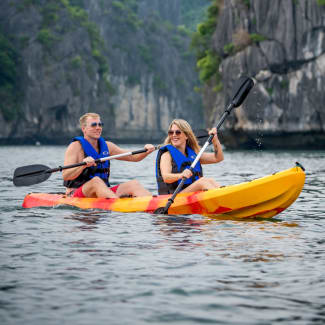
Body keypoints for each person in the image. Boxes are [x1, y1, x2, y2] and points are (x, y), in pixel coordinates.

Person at [63, 112, 155, 198]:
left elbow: (133, 157)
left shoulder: (107, 146)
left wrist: (146, 151)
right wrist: (82, 166)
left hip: (103, 192)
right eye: (94, 125)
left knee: (133, 184)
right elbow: (66, 175)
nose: (98, 127)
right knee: (96, 181)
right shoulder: (75, 147)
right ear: (84, 129)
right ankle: (117, 204)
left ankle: (156, 205)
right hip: (76, 194)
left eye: (100, 124)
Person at [156, 119, 224, 195]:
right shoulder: (167, 155)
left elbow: (218, 158)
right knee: (202, 182)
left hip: (190, 194)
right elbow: (166, 177)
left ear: (186, 136)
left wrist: (215, 139)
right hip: (174, 197)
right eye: (171, 132)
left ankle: (224, 195)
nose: (174, 135)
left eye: (178, 132)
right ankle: (222, 199)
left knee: (210, 180)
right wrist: (181, 175)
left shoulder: (193, 154)